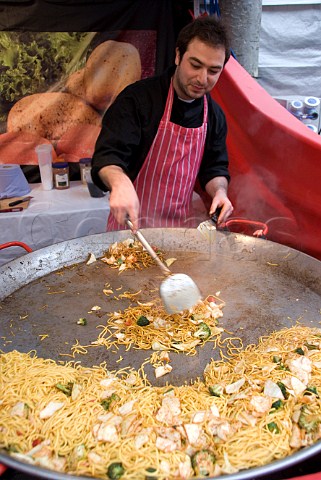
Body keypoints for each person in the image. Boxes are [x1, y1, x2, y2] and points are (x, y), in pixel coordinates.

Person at [91, 15, 234, 231]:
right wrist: (119, 182)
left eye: (213, 71)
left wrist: (220, 192)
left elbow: (214, 168)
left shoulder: (214, 115)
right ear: (178, 56)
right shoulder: (137, 100)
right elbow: (108, 157)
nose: (202, 79)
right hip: (131, 230)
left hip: (179, 232)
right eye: (195, 65)